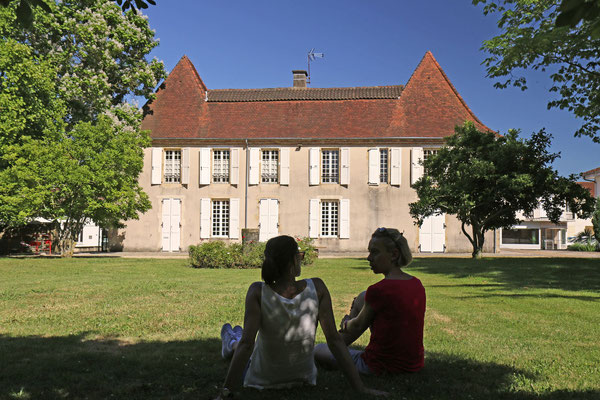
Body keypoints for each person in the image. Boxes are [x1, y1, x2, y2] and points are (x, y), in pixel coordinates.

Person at [215, 235, 387, 399]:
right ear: (292, 261)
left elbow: (247, 344)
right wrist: (360, 388)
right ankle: (231, 339)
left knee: (243, 343)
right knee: (248, 345)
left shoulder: (257, 291)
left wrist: (225, 393)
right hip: (303, 379)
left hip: (261, 379)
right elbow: (334, 340)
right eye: (300, 256)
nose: (301, 260)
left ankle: (230, 341)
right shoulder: (317, 287)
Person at [314, 227, 426, 375]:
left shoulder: (379, 290)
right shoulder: (416, 284)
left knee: (318, 350)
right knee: (363, 296)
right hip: (414, 364)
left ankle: (337, 345)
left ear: (394, 254)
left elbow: (356, 325)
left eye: (375, 252)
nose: (369, 258)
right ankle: (339, 344)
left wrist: (346, 322)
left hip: (379, 366)